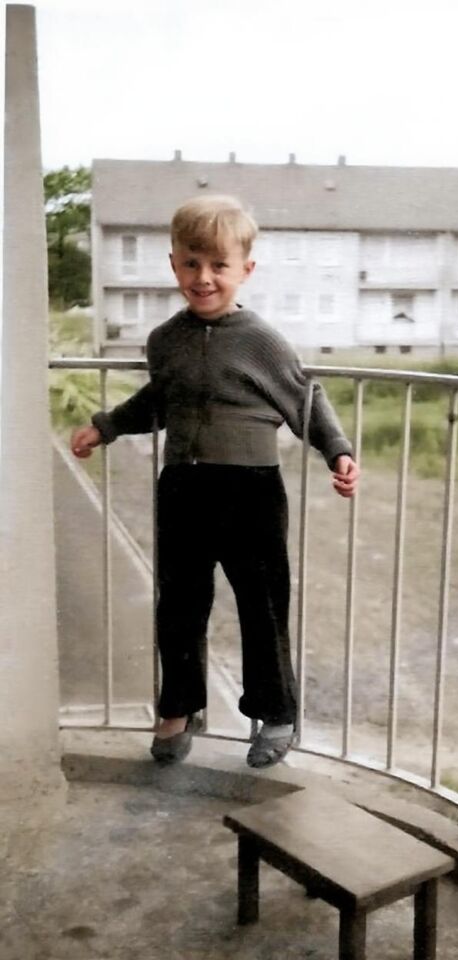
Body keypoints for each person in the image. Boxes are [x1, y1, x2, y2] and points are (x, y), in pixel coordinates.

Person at [70, 194, 359, 769]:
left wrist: (338, 451)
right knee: (179, 606)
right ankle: (179, 708)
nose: (203, 278)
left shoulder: (261, 340)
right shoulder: (164, 340)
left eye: (218, 265)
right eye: (191, 263)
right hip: (183, 488)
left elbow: (304, 399)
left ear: (244, 270)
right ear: (173, 264)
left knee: (262, 605)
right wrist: (106, 427)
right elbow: (157, 401)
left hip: (251, 491)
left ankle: (276, 713)